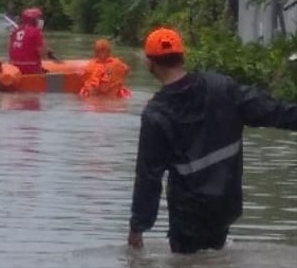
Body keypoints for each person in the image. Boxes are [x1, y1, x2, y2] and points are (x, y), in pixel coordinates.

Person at [127, 26, 297, 254]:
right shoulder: (222, 87)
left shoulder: (156, 115)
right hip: (226, 205)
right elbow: (271, 110)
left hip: (189, 215)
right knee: (214, 256)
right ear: (183, 57)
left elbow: (148, 177)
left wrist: (138, 226)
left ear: (150, 64)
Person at [8, 7, 56, 74]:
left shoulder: (15, 31)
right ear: (33, 20)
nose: (40, 20)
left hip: (14, 68)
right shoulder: (36, 32)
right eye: (38, 18)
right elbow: (43, 55)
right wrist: (48, 51)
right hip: (31, 68)